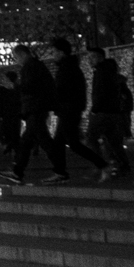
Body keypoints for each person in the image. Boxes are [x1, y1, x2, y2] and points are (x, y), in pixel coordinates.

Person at [1, 44, 66, 185]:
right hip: (36, 108)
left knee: (45, 142)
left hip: (35, 108)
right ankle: (17, 172)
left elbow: (30, 87)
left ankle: (61, 172)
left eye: (16, 57)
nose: (16, 60)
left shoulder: (30, 67)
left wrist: (17, 85)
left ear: (23, 54)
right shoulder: (37, 65)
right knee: (26, 142)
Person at [48, 35, 106, 180]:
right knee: (60, 142)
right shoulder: (69, 67)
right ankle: (60, 172)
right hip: (68, 110)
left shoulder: (67, 68)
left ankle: (103, 165)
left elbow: (63, 90)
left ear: (62, 52)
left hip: (69, 110)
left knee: (73, 144)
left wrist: (52, 98)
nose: (52, 55)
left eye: (54, 52)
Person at [88, 48, 134, 180]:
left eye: (92, 57)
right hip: (114, 113)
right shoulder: (110, 71)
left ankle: (101, 165)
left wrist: (94, 110)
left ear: (99, 57)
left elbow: (101, 93)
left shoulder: (101, 72)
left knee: (91, 138)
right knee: (114, 141)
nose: (89, 60)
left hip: (103, 112)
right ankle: (124, 165)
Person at [0, 71, 21, 165]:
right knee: (9, 136)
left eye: (5, 79)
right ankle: (11, 150)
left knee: (8, 136)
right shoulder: (12, 90)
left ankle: (10, 150)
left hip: (7, 117)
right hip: (10, 117)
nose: (3, 80)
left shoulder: (7, 90)